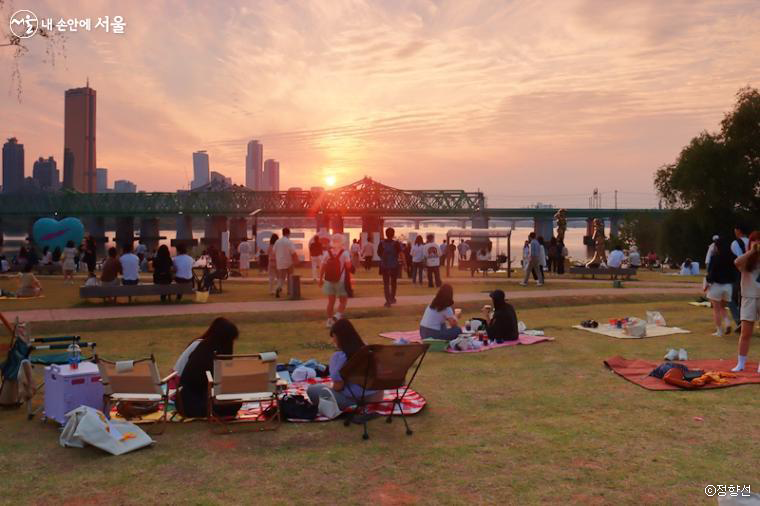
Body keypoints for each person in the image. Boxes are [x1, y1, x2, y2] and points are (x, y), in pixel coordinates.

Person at [306, 319, 382, 411]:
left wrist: (330, 386)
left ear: (339, 337)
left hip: (354, 401)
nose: (333, 341)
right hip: (377, 397)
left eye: (333, 337)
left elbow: (338, 386)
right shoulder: (368, 350)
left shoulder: (340, 357)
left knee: (312, 389)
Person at [177, 317, 241, 418]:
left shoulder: (201, 348)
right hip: (195, 403)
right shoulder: (211, 357)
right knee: (233, 404)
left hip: (185, 402)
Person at [730, 231, 760, 372]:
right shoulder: (747, 260)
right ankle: (741, 363)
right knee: (745, 333)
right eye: (754, 240)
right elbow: (736, 262)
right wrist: (751, 252)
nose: (757, 243)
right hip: (748, 297)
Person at [320, 234, 352, 328]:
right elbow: (349, 266)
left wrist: (320, 279)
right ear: (342, 242)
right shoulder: (344, 253)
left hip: (329, 281)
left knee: (331, 302)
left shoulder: (327, 253)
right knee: (343, 301)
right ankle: (337, 316)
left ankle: (329, 321)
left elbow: (322, 267)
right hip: (340, 280)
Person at [705, 238, 735, 336]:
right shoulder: (732, 257)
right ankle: (727, 323)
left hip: (716, 285)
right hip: (728, 286)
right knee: (723, 307)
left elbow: (711, 272)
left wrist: (708, 282)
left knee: (716, 309)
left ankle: (719, 331)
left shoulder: (715, 258)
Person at [728, 225, 750, 333]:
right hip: (753, 273)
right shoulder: (752, 242)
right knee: (745, 298)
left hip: (739, 273)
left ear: (738, 231)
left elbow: (739, 259)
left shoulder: (735, 243)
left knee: (731, 298)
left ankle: (739, 320)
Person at [377, 227, 401, 308]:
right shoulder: (396, 243)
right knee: (393, 283)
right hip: (394, 265)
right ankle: (392, 298)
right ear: (393, 234)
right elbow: (400, 253)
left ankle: (387, 301)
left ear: (386, 234)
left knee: (386, 284)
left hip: (384, 266)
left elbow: (379, 253)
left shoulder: (382, 243)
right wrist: (404, 264)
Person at [273, 227, 297, 298]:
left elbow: (274, 251)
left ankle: (278, 288)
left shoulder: (277, 242)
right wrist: (296, 260)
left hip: (280, 262)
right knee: (290, 277)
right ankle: (289, 291)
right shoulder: (289, 242)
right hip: (289, 262)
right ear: (288, 233)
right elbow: (293, 252)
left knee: (281, 278)